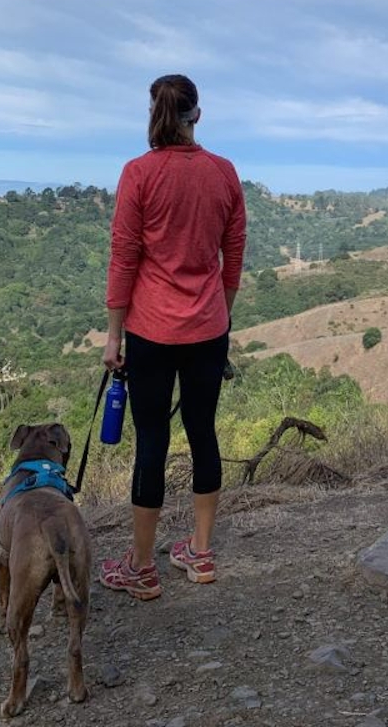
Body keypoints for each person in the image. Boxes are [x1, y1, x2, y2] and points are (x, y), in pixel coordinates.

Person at [98, 73, 246, 600]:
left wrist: (113, 337)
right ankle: (200, 554)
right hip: (208, 330)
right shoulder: (223, 173)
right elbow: (233, 259)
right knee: (203, 432)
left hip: (151, 332)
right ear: (197, 115)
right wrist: (220, 320)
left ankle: (142, 567)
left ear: (153, 114)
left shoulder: (138, 174)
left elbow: (124, 258)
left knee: (152, 444)